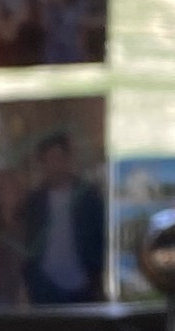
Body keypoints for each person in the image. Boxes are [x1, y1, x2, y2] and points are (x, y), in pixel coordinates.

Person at [10, 130, 110, 306]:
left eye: (59, 158)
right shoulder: (34, 201)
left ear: (68, 160)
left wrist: (95, 278)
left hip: (82, 288)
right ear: (42, 163)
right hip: (43, 288)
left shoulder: (89, 198)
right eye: (49, 159)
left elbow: (100, 239)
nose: (54, 165)